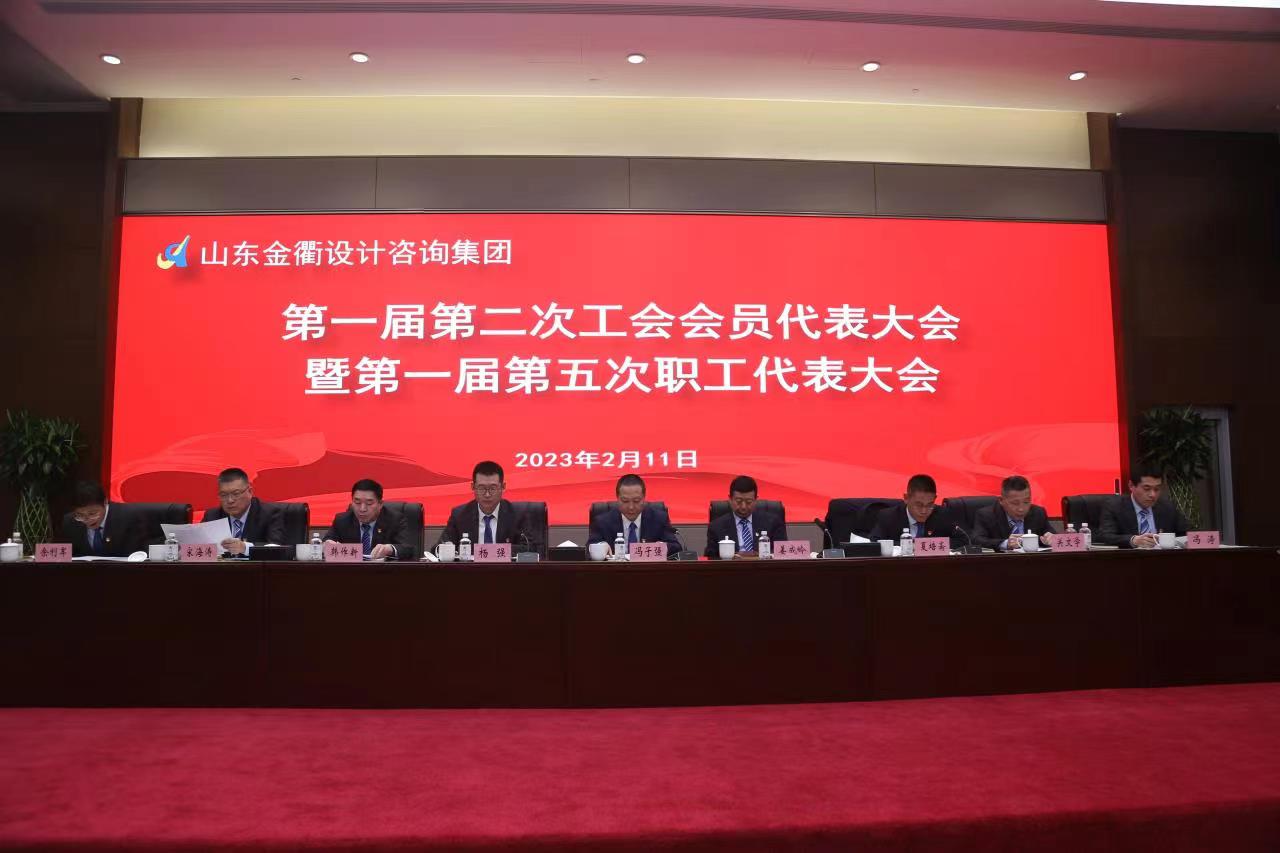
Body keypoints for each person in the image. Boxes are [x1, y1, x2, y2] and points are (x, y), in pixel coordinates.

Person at [434, 461, 542, 556]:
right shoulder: (460, 515)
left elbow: (533, 549)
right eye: (481, 488)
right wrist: (448, 549)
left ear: (503, 487)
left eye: (492, 488)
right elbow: (437, 550)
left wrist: (487, 552)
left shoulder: (518, 515)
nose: (487, 494)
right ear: (473, 487)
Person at [322, 478, 419, 560]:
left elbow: (408, 549)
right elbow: (327, 541)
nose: (362, 509)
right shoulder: (342, 520)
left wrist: (389, 549)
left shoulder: (395, 520)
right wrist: (327, 545)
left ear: (380, 504)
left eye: (369, 503)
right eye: (357, 502)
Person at [588, 473, 681, 557]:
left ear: (643, 498)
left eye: (636, 501)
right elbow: (588, 549)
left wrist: (660, 547)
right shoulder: (602, 522)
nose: (631, 507)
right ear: (617, 498)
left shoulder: (659, 519)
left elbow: (676, 547)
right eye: (625, 501)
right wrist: (600, 546)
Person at [1098, 463, 1189, 548]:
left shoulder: (1167, 507)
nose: (1152, 495)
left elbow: (1187, 534)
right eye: (1147, 489)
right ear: (1131, 485)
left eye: (1157, 489)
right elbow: (1105, 536)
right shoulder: (1115, 506)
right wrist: (1133, 540)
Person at [201, 467, 285, 556]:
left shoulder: (270, 514)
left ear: (250, 492)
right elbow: (198, 548)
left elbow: (277, 549)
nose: (230, 500)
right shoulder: (212, 516)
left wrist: (245, 548)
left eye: (236, 494)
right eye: (224, 495)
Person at [704, 475, 788, 558]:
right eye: (738, 501)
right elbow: (710, 557)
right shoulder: (716, 527)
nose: (743, 507)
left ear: (756, 500)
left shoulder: (773, 523)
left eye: (749, 502)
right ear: (730, 499)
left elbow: (783, 553)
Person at [59, 480, 150, 557]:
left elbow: (138, 555)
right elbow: (63, 555)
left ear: (105, 502)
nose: (87, 519)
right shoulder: (70, 521)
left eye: (92, 513)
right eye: (80, 515)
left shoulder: (129, 518)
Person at [869, 473, 962, 545]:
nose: (924, 511)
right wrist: (912, 546)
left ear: (935, 499)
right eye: (919, 505)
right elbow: (874, 543)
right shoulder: (888, 517)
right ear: (906, 498)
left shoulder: (943, 515)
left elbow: (963, 540)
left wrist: (926, 546)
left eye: (930, 505)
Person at [971, 475, 1055, 551]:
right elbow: (976, 540)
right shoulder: (986, 515)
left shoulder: (1038, 513)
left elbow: (1053, 535)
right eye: (1015, 503)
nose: (1021, 509)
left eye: (1026, 502)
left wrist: (1052, 539)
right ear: (1001, 500)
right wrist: (1005, 543)